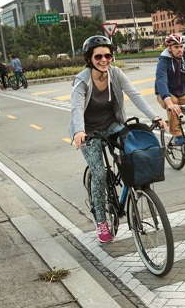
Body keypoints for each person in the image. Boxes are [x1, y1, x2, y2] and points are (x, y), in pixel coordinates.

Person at [69, 35, 168, 243]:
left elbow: (135, 95)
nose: (104, 59)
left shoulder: (116, 73)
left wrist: (155, 117)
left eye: (108, 55)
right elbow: (77, 107)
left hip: (112, 124)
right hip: (88, 130)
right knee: (98, 173)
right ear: (89, 59)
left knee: (132, 152)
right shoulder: (82, 80)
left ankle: (133, 190)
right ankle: (101, 220)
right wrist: (79, 131)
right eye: (98, 57)